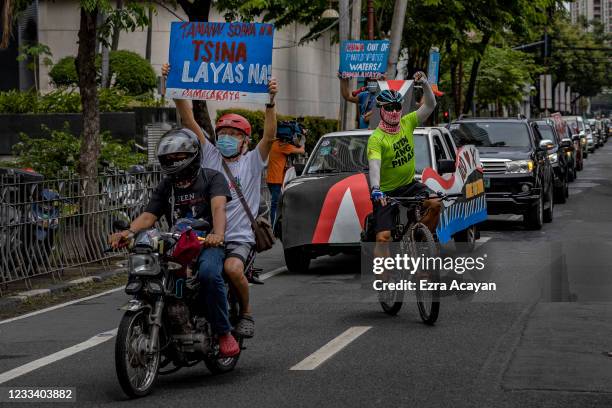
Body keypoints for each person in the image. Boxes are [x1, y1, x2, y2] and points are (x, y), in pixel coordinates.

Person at [161, 63, 278, 339]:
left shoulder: (252, 162)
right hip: (205, 236)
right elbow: (189, 122)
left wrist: (270, 103)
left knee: (232, 268)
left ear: (245, 142)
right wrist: (174, 84)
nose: (227, 138)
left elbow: (270, 136)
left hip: (238, 238)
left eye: (234, 135)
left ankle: (246, 312)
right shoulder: (211, 155)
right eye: (223, 132)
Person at [109, 130, 240, 357]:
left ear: (193, 156)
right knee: (152, 278)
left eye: (179, 158)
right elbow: (149, 216)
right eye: (169, 159)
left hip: (206, 244)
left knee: (209, 275)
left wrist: (217, 234)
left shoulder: (212, 178)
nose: (174, 163)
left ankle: (223, 331)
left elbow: (218, 207)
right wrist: (128, 232)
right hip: (176, 245)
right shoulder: (167, 185)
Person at [367, 71, 441, 259]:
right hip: (385, 192)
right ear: (381, 110)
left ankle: (418, 237)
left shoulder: (408, 122)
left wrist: (425, 83)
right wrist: (376, 189)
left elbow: (431, 105)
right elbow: (374, 165)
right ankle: (383, 282)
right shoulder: (376, 138)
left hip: (409, 186)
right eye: (389, 107)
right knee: (383, 238)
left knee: (435, 203)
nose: (394, 111)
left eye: (397, 106)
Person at [266, 122, 306, 226]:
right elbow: (302, 150)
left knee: (276, 203)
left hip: (271, 179)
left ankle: (276, 225)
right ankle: (274, 228)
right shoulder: (284, 146)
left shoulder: (275, 143)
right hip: (277, 180)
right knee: (276, 205)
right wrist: (303, 138)